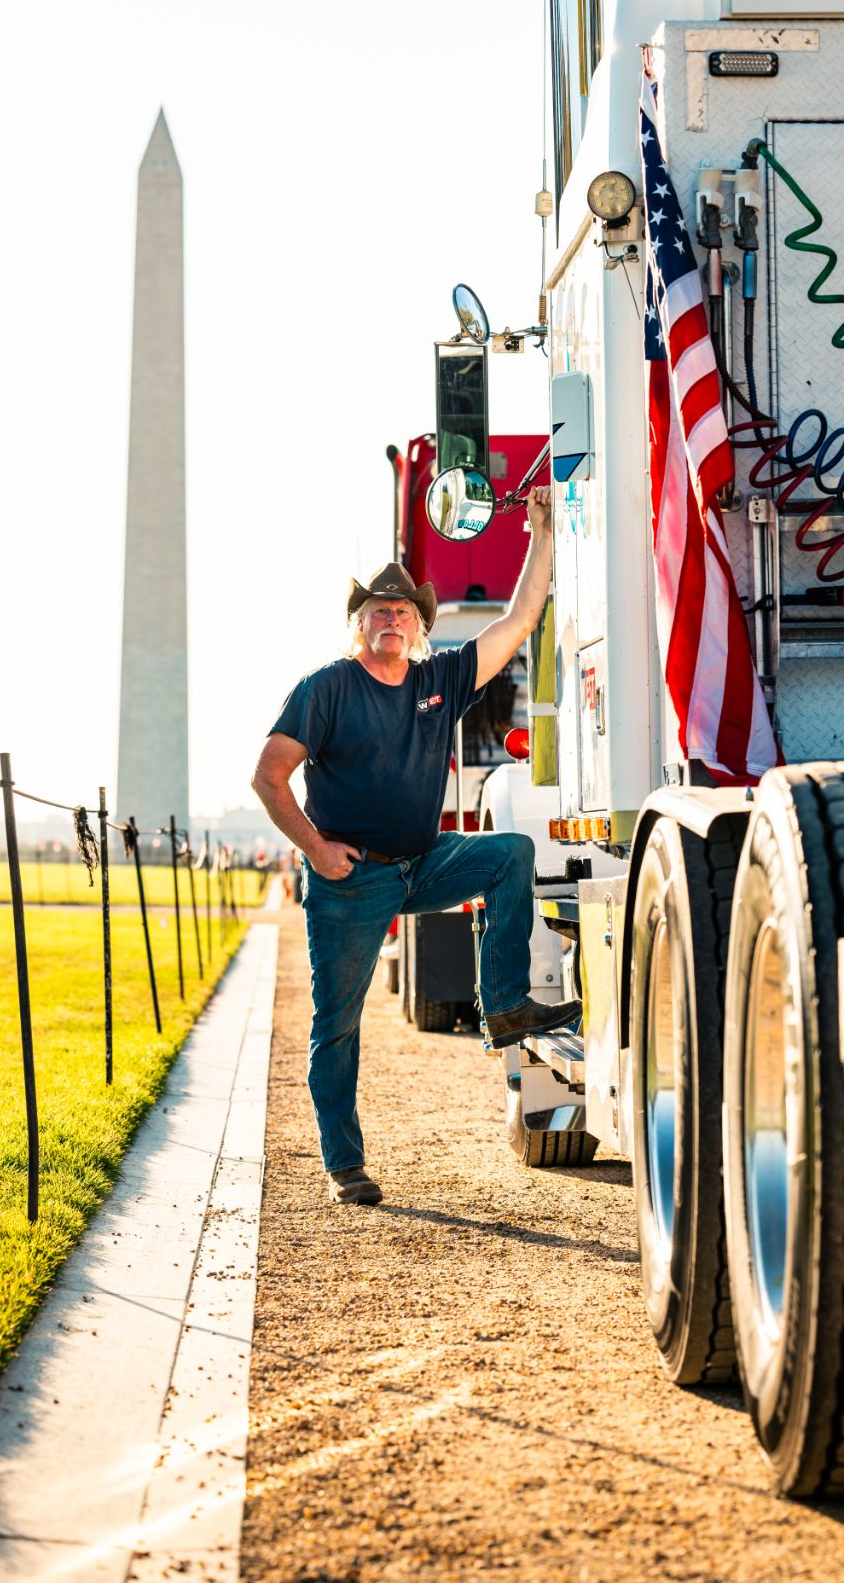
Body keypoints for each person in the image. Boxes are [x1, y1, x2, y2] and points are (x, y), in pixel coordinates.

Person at [252, 485, 581, 1206]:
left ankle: (504, 1004)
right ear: (359, 624)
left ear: (419, 626)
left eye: (402, 611)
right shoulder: (326, 688)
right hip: (349, 880)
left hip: (423, 862)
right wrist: (316, 850)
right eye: (378, 610)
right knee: (336, 1027)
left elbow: (519, 620)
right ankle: (345, 1165)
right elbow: (269, 775)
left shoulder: (440, 679)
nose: (391, 619)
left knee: (508, 854)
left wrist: (542, 535)